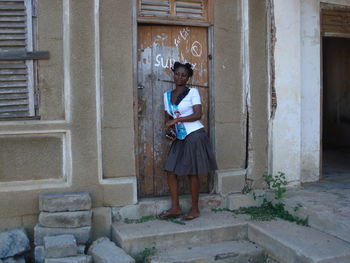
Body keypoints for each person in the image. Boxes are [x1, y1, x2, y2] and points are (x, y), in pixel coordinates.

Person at [159, 62, 217, 220]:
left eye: (184, 75)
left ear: (188, 78)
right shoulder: (166, 96)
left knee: (192, 173)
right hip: (180, 137)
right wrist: (169, 128)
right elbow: (169, 118)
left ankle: (195, 209)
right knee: (170, 171)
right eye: (177, 74)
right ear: (173, 74)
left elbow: (198, 115)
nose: (180, 77)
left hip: (194, 134)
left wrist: (176, 121)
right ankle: (176, 208)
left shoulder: (193, 92)